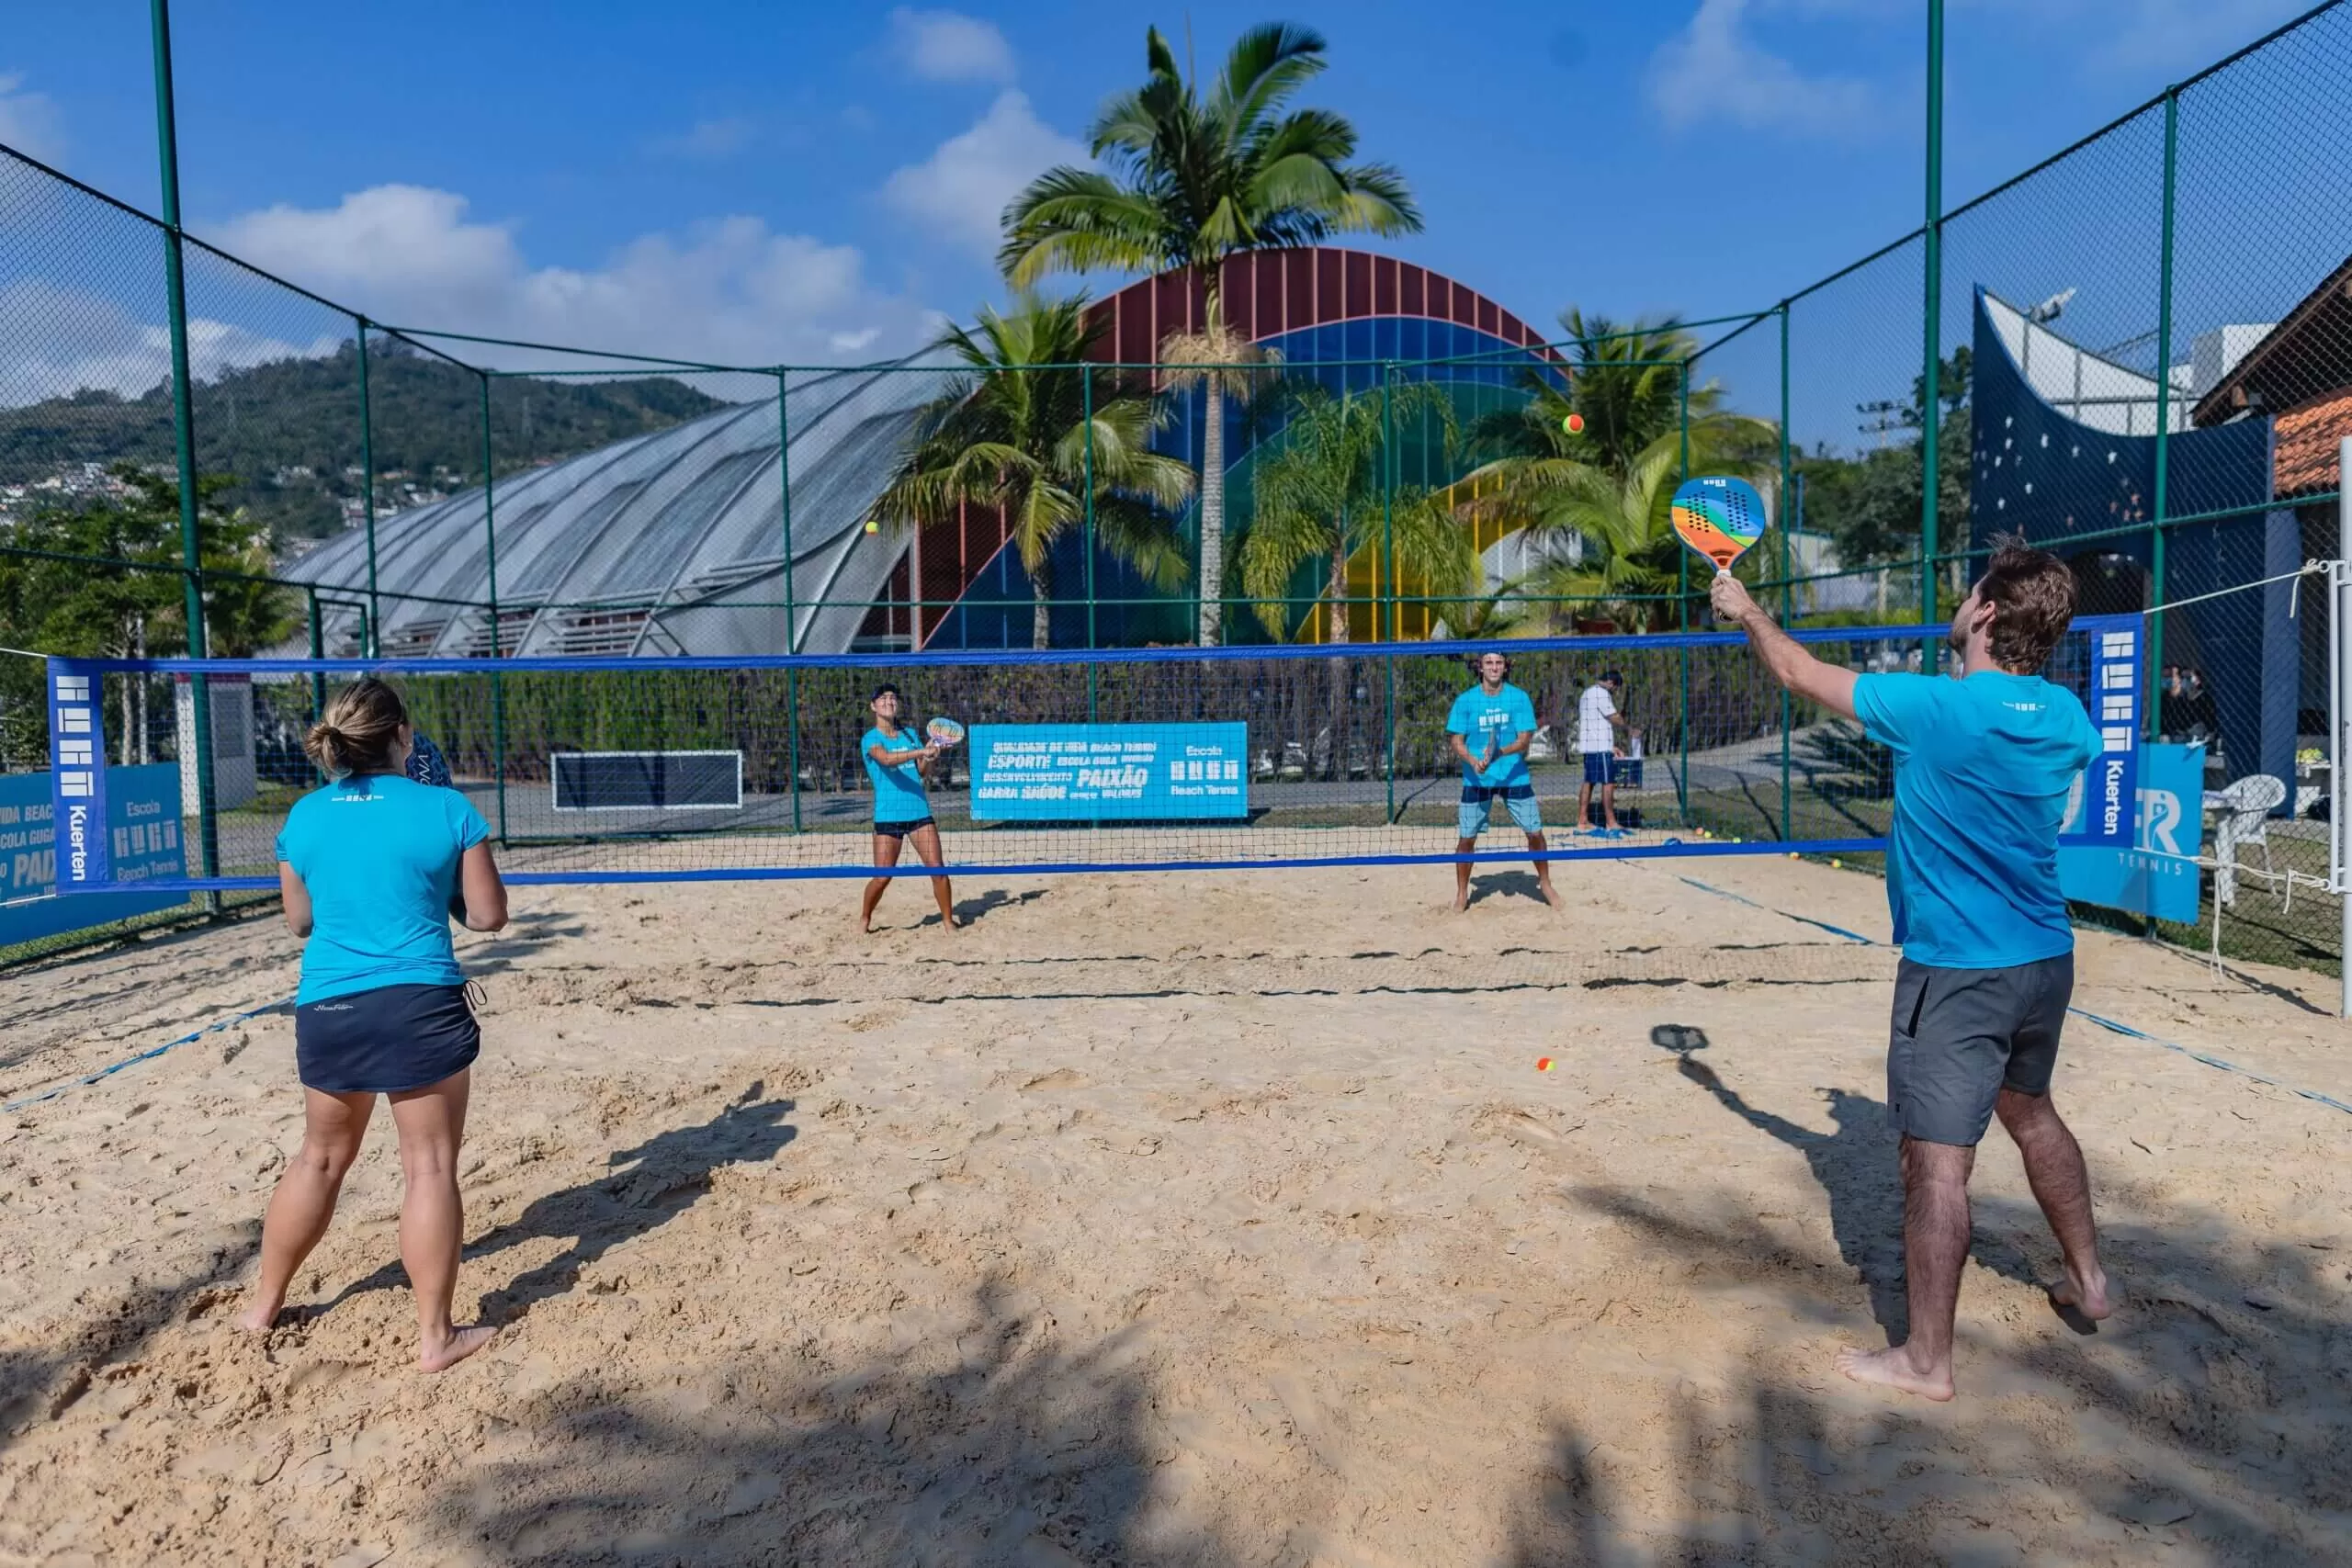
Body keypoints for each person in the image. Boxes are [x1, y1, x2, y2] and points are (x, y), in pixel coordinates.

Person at [1710, 536, 2112, 1402]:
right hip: (2045, 959)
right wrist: (1972, 664)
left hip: (1956, 971)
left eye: (1968, 596)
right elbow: (2002, 710)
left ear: (1987, 614)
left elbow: (1796, 672)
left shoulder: (1933, 707)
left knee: (1937, 1167)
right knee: (2034, 1116)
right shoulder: (2068, 719)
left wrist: (1748, 613)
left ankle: (1925, 1360)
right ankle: (2090, 1281)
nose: (1958, 602)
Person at [240, 676, 508, 1373]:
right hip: (417, 1002)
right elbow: (487, 916)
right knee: (429, 1165)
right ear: (401, 735)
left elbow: (301, 921)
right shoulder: (447, 808)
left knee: (319, 1159)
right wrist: (441, 884)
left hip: (328, 1005)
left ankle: (261, 1307)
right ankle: (435, 1338)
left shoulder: (303, 817)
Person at [1446, 651, 1564, 913]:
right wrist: (1473, 760)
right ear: (1480, 667)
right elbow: (1456, 741)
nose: (1494, 667)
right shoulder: (1466, 700)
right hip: (1477, 777)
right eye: (1489, 662)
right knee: (1467, 837)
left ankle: (1545, 884)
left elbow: (1524, 741)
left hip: (1513, 775)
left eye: (1499, 662)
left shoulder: (1518, 697)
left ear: (1505, 667)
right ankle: (1462, 892)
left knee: (1535, 832)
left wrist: (1499, 753)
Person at [859, 683, 957, 933]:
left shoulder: (910, 734)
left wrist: (929, 758)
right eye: (883, 698)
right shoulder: (871, 738)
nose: (889, 701)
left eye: (893, 697)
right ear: (873, 706)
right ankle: (864, 918)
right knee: (883, 877)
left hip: (918, 813)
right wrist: (920, 750)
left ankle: (948, 922)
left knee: (938, 870)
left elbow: (921, 772)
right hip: (888, 815)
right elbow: (887, 760)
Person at [1573, 670, 1632, 835]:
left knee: (1589, 781)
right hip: (1599, 747)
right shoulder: (1601, 694)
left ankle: (1582, 820)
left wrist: (1611, 746)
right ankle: (1611, 822)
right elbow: (1613, 716)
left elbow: (1594, 722)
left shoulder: (1586, 693)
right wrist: (1629, 728)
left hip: (1590, 745)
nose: (1616, 692)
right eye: (1616, 689)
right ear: (1612, 683)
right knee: (1608, 782)